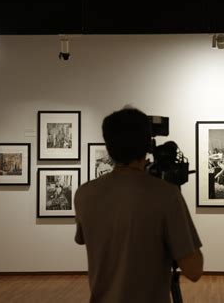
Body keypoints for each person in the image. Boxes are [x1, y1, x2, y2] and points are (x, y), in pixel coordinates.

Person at [74, 107, 203, 302]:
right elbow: (194, 270)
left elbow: (85, 239)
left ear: (108, 146)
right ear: (147, 145)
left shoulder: (84, 194)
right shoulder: (166, 194)